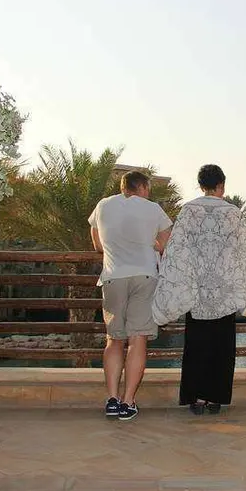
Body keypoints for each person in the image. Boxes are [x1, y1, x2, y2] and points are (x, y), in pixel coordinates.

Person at [151, 164, 246, 415]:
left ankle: (196, 399)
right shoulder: (233, 213)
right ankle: (216, 398)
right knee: (222, 346)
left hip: (198, 291)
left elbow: (177, 252)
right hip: (224, 291)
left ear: (201, 186)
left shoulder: (188, 211)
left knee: (197, 345)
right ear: (222, 185)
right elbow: (243, 252)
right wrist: (243, 285)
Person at [89, 170, 172, 421]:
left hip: (113, 277)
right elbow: (166, 243)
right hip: (145, 276)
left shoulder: (103, 206)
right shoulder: (152, 208)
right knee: (138, 339)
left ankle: (112, 399)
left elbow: (97, 245)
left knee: (114, 340)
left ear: (123, 187)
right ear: (143, 188)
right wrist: (151, 244)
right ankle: (128, 402)